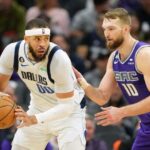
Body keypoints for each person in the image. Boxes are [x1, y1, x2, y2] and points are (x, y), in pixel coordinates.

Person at [0, 18, 86, 150]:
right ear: (26, 39)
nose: (43, 44)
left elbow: (67, 106)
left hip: (69, 114)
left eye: (46, 38)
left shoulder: (59, 59)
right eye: (37, 39)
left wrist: (35, 119)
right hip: (38, 107)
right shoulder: (12, 52)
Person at [73, 8, 150, 150]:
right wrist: (81, 82)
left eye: (111, 29)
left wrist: (121, 112)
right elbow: (102, 97)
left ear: (126, 29)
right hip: (147, 126)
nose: (106, 34)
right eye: (104, 29)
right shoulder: (114, 58)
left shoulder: (144, 55)